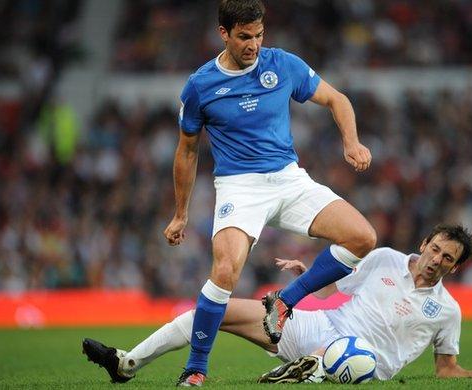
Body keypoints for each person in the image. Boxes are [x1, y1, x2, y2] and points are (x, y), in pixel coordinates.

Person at [160, 0, 376, 385]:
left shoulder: (282, 64)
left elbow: (336, 99)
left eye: (259, 35)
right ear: (223, 33)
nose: (254, 45)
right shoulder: (200, 85)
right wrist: (181, 213)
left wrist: (351, 143)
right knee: (225, 271)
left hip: (289, 180)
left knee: (363, 237)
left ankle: (285, 301)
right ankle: (196, 368)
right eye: (244, 36)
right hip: (239, 186)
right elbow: (187, 150)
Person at [82, 224, 472, 385]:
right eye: (435, 248)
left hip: (365, 363)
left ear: (455, 267)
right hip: (321, 325)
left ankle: (309, 370)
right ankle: (127, 364)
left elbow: (445, 369)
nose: (436, 260)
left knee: (347, 357)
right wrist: (307, 273)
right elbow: (331, 291)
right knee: (210, 312)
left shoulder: (448, 310)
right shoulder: (384, 259)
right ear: (424, 243)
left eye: (446, 258)